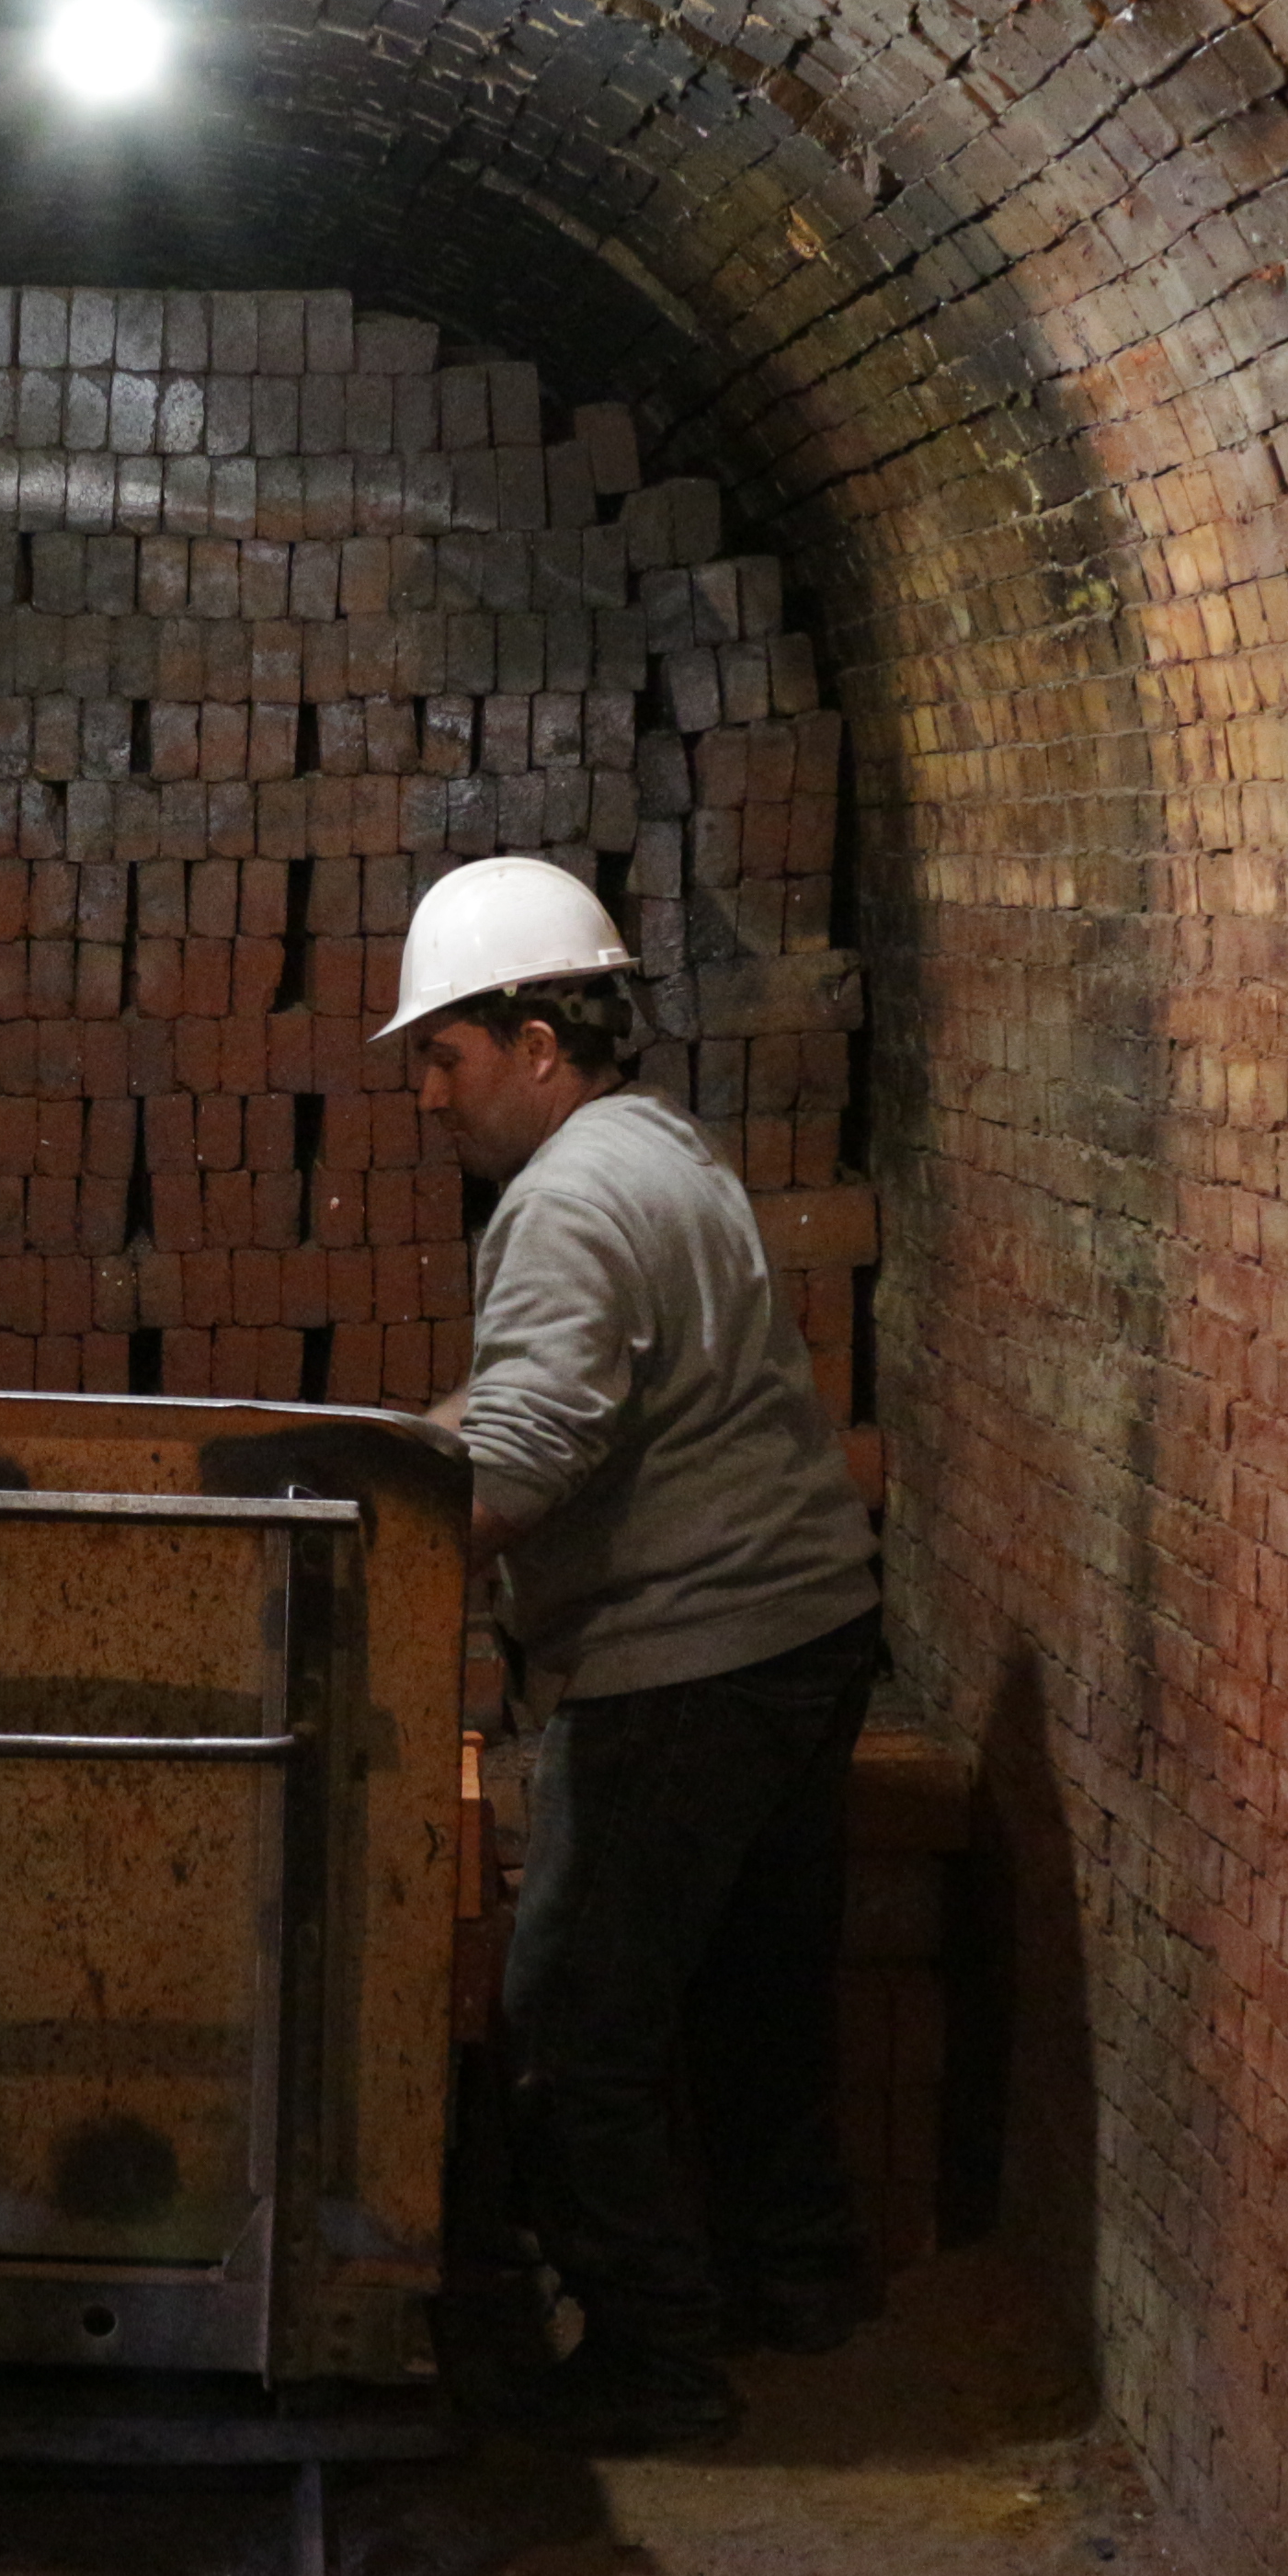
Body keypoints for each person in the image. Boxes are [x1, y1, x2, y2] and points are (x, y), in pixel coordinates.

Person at [390, 853, 886, 2451]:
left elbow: (534, 1453)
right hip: (804, 1634)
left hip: (683, 1667)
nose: (425, 1096)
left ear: (539, 1040)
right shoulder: (659, 1150)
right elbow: (592, 1393)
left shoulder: (563, 1201)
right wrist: (402, 1448)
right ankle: (797, 2291)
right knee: (752, 2002)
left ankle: (657, 2367)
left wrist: (366, 1559)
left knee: (573, 2038)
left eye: (445, 1056)